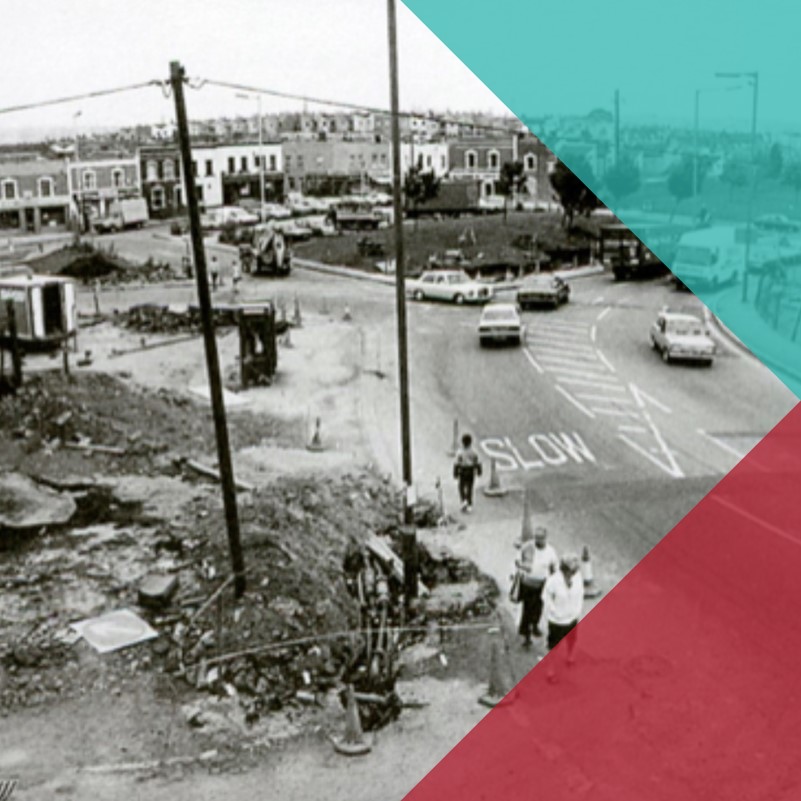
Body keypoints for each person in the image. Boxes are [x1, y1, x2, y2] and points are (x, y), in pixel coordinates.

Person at [542, 553, 584, 681]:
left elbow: (580, 594)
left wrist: (577, 611)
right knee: (553, 646)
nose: (573, 573)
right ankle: (550, 670)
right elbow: (546, 597)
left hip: (572, 617)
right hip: (557, 620)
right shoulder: (554, 581)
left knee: (572, 639)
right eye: (570, 570)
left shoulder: (577, 578)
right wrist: (554, 611)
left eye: (574, 571)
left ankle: (570, 656)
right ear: (564, 569)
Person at [515, 526, 558, 648]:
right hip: (527, 584)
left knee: (539, 607)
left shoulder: (550, 551)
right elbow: (517, 560)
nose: (538, 540)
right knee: (527, 610)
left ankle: (534, 625)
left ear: (546, 538)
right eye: (536, 538)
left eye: (541, 538)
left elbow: (554, 567)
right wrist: (524, 567)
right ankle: (526, 635)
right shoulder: (528, 547)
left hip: (542, 585)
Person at [453, 433, 481, 513]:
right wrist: (479, 470)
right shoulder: (473, 451)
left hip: (462, 471)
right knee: (470, 487)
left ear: (462, 442)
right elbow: (477, 461)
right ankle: (469, 503)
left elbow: (457, 462)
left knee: (461, 487)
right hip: (471, 471)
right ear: (470, 442)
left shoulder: (460, 452)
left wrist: (455, 472)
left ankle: (463, 501)